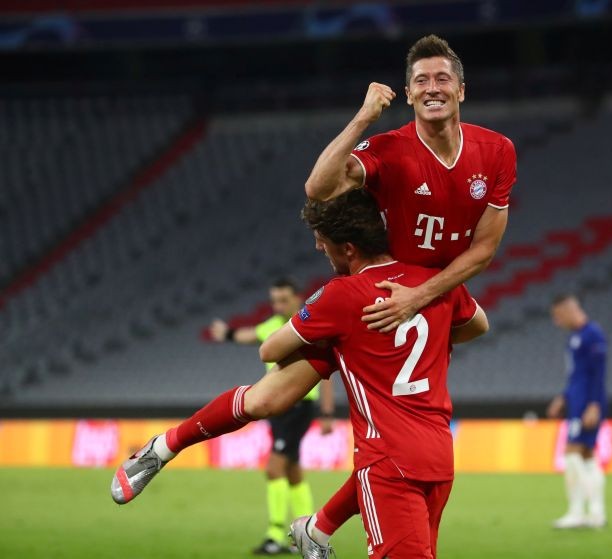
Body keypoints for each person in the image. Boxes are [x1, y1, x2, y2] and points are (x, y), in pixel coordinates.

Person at [110, 190, 488, 559]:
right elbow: (478, 326)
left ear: (349, 249)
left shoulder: (341, 294)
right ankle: (162, 449)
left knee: (263, 399)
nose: (318, 249)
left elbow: (269, 349)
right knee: (267, 399)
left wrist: (354, 338)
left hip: (399, 455)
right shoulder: (433, 278)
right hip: (433, 452)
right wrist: (413, 320)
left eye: (323, 242)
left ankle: (312, 527)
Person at [292, 32, 517, 557]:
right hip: (379, 293)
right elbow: (318, 188)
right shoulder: (389, 150)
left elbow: (484, 251)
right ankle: (167, 447)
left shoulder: (497, 151)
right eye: (421, 81)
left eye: (442, 79)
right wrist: (364, 117)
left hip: (428, 297)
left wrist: (420, 298)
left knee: (476, 335)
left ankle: (317, 529)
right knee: (276, 392)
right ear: (409, 94)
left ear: (462, 89)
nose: (432, 87)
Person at [208, 279, 335, 555]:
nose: (277, 305)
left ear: (296, 298)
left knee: (274, 468)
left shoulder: (310, 325)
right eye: (274, 300)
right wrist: (227, 334)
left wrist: (327, 412)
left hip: (300, 405)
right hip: (278, 408)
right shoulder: (273, 325)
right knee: (292, 471)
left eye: (283, 299)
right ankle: (309, 532)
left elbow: (325, 373)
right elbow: (251, 335)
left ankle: (275, 535)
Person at [546, 294, 608, 529]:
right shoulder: (575, 337)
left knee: (572, 454)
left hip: (586, 405)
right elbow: (576, 376)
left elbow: (598, 374)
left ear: (569, 309)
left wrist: (593, 404)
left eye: (558, 316)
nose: (557, 321)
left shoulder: (593, 334)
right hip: (576, 402)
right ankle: (596, 513)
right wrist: (563, 397)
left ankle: (578, 512)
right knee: (587, 457)